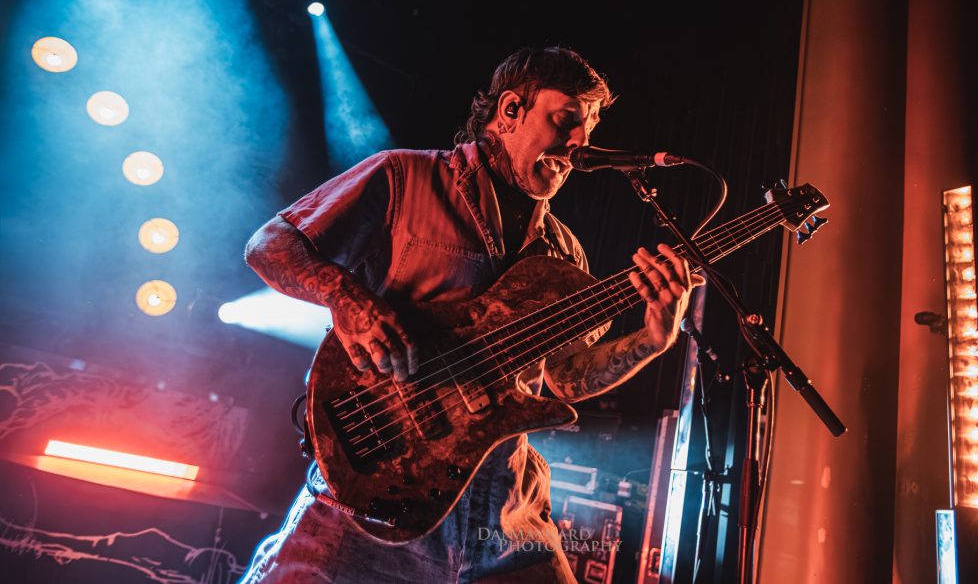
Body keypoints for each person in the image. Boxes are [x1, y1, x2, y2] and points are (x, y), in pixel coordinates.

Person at [239, 46, 703, 583]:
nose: (580, 141)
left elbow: (563, 378)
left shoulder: (564, 251)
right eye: (566, 120)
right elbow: (269, 245)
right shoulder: (406, 176)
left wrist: (652, 339)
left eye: (589, 128)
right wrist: (348, 300)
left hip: (507, 513)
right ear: (510, 111)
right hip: (383, 490)